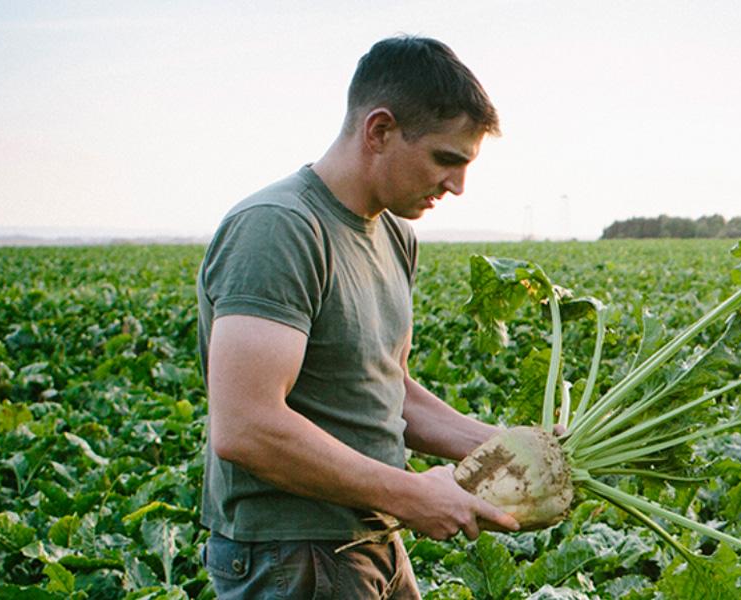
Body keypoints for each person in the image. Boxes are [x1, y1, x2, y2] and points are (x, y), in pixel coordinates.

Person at [195, 36, 518, 598]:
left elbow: (389, 389)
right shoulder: (280, 227)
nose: (458, 186)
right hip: (291, 554)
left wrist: (505, 447)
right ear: (379, 130)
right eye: (446, 159)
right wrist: (409, 493)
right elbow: (246, 427)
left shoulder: (395, 234)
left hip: (369, 534)